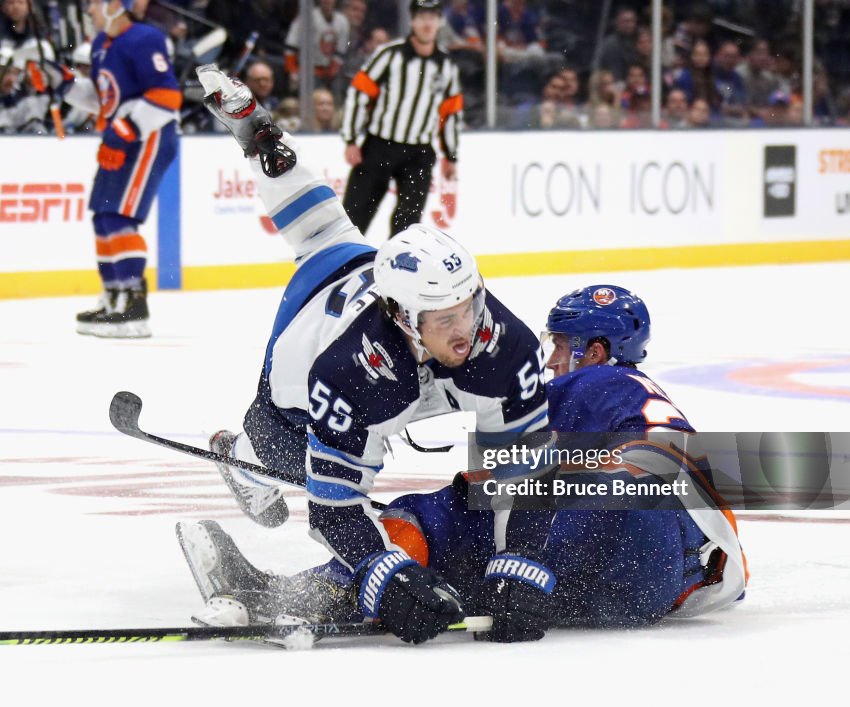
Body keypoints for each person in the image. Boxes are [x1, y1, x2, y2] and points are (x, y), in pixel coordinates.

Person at [185, 64, 550, 644]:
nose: (468, 331)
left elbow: (524, 470)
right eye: (446, 319)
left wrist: (524, 561)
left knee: (325, 227)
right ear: (404, 318)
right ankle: (243, 459)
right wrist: (384, 571)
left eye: (471, 306)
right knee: (287, 454)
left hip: (352, 265)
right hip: (304, 357)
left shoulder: (503, 344)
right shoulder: (347, 372)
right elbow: (335, 507)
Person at [182, 282, 747, 644]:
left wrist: (473, 487)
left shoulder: (596, 380)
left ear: (593, 351)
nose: (551, 359)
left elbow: (571, 466)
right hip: (655, 585)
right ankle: (437, 589)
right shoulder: (635, 395)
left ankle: (296, 595)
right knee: (486, 546)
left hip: (624, 540)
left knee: (443, 515)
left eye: (559, 346)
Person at [40, 0, 181, 338]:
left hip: (148, 136)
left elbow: (167, 95)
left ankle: (134, 305)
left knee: (120, 217)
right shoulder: (103, 45)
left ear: (117, 5)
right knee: (103, 215)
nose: (88, 10)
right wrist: (62, 82)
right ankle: (114, 296)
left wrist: (127, 130)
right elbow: (102, 99)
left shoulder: (145, 38)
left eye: (94, 4)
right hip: (121, 135)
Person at [341, 0, 462, 238]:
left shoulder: (446, 65)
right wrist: (351, 139)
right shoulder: (389, 55)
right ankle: (342, 266)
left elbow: (451, 113)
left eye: (432, 17)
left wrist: (451, 155)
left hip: (419, 153)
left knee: (408, 224)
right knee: (355, 215)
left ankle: (397, 270)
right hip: (379, 147)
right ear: (412, 21)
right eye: (422, 17)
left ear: (440, 22)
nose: (427, 23)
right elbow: (359, 93)